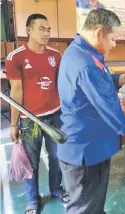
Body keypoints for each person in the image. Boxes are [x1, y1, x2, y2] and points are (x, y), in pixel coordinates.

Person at [57, 8, 125, 214]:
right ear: (99, 32)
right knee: (85, 209)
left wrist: (124, 78)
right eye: (114, 39)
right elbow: (110, 108)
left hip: (91, 146)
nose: (115, 45)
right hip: (86, 150)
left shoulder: (84, 53)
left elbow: (98, 84)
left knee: (93, 207)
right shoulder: (85, 63)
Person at [5, 14, 69, 214]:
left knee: (56, 157)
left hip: (55, 115)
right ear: (28, 30)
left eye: (48, 29)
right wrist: (14, 124)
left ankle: (56, 189)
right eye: (41, 28)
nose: (46, 33)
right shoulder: (15, 57)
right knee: (30, 163)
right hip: (29, 120)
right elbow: (16, 91)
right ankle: (33, 200)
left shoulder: (55, 55)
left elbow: (61, 84)